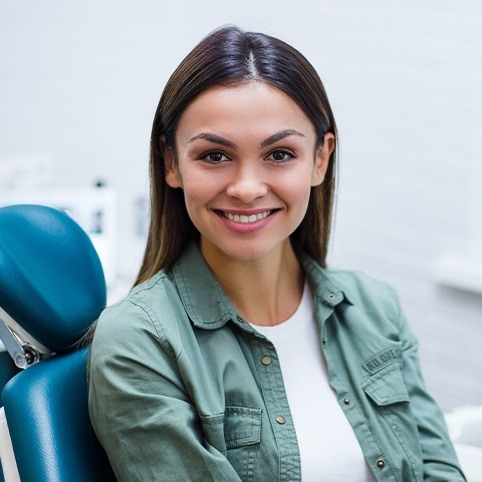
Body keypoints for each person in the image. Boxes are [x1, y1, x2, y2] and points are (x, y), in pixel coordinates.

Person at [88, 25, 466, 481]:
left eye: (280, 154)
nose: (247, 189)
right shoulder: (138, 341)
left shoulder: (374, 307)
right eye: (213, 156)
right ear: (171, 163)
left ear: (320, 159)